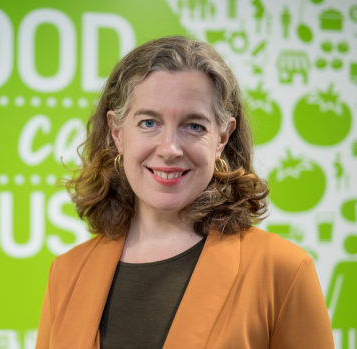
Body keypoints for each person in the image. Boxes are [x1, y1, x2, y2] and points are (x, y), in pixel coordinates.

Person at [35, 36, 333, 348]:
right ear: (117, 133)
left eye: (194, 126)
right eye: (149, 122)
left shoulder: (283, 269)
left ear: (221, 138)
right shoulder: (67, 274)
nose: (170, 149)